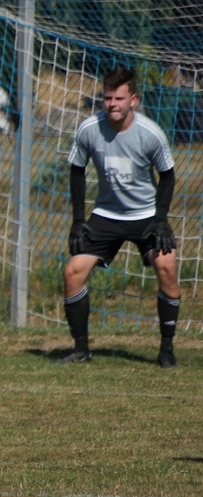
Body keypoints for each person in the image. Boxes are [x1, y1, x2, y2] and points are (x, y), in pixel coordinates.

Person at [58, 66, 180, 367]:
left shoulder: (150, 134)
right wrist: (78, 220)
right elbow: (76, 170)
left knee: (167, 267)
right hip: (106, 214)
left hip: (146, 215)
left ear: (133, 100)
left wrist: (161, 219)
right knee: (73, 271)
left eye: (119, 98)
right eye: (107, 98)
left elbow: (167, 176)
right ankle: (81, 350)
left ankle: (166, 349)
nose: (112, 104)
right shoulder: (89, 129)